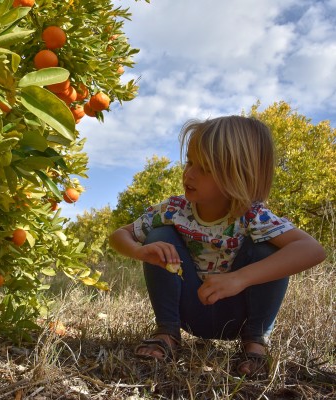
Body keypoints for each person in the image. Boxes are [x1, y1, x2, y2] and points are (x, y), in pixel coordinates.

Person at [109, 116, 326, 378]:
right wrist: (139, 251)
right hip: (189, 309)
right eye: (190, 161)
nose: (188, 173)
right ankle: (167, 332)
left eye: (205, 168)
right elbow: (119, 235)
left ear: (238, 174)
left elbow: (312, 249)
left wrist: (239, 279)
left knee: (269, 248)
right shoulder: (173, 209)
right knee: (160, 236)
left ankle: (254, 344)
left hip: (237, 314)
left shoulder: (253, 216)